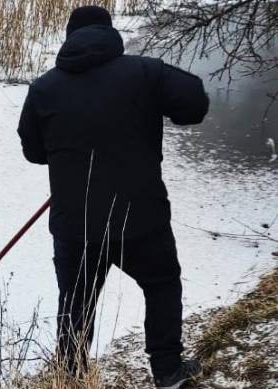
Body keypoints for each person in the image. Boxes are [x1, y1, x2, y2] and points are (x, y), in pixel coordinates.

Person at [16, 5, 209, 389]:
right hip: (141, 219)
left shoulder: (43, 89)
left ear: (69, 38)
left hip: (76, 223)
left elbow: (34, 152)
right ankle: (168, 370)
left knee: (75, 303)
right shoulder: (145, 72)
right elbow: (194, 104)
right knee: (162, 283)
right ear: (110, 32)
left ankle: (70, 377)